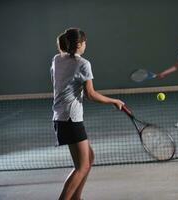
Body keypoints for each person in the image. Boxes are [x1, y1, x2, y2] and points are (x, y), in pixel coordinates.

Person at [51, 28, 124, 200]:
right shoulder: (83, 63)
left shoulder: (56, 59)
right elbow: (91, 94)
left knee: (88, 158)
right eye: (84, 42)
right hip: (71, 119)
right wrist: (114, 101)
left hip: (60, 118)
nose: (86, 45)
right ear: (78, 44)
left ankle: (77, 198)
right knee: (82, 166)